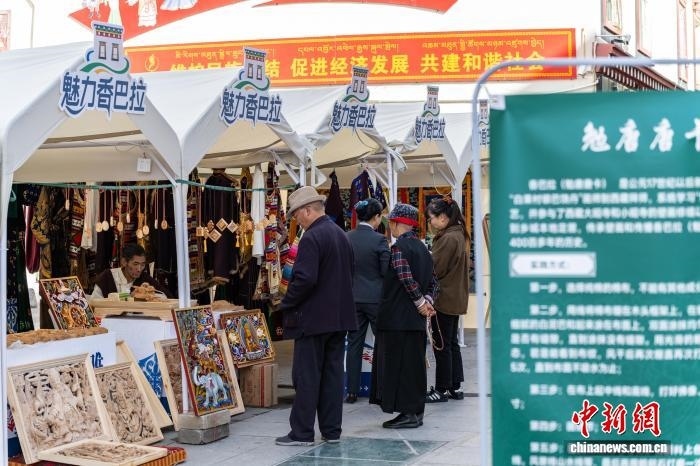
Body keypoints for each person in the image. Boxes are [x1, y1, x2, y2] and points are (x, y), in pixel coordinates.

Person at [275, 186, 356, 446]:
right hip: (338, 318)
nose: (296, 220)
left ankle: (302, 432)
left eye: (296, 214)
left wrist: (286, 302)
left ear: (308, 210)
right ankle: (332, 431)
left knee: (306, 376)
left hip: (313, 319)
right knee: (332, 376)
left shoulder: (311, 237)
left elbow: (305, 279)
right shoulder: (340, 234)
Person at [370, 203, 438, 429]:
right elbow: (434, 281)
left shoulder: (399, 248)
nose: (390, 227)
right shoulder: (423, 248)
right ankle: (416, 411)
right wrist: (428, 301)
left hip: (398, 319)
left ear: (398, 223)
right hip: (415, 321)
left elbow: (405, 277)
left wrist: (420, 303)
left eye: (391, 223)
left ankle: (408, 413)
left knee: (400, 367)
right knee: (414, 366)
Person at [424, 196, 470, 403]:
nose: (431, 222)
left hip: (443, 298)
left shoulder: (448, 238)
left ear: (443, 217)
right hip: (455, 297)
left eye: (432, 218)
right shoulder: (459, 233)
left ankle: (442, 389)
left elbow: (435, 269)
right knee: (451, 344)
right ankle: (455, 386)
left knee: (441, 345)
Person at [344, 199, 390, 404]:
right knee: (383, 343)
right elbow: (386, 271)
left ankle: (352, 391)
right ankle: (382, 389)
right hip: (375, 299)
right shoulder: (379, 240)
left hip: (353, 298)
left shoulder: (347, 237)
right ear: (376, 217)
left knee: (354, 343)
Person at [90, 243, 172, 299]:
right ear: (124, 262)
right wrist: (129, 297)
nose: (139, 269)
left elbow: (167, 297)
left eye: (142, 264)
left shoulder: (145, 279)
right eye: (135, 264)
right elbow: (94, 302)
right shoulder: (107, 277)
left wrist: (151, 294)